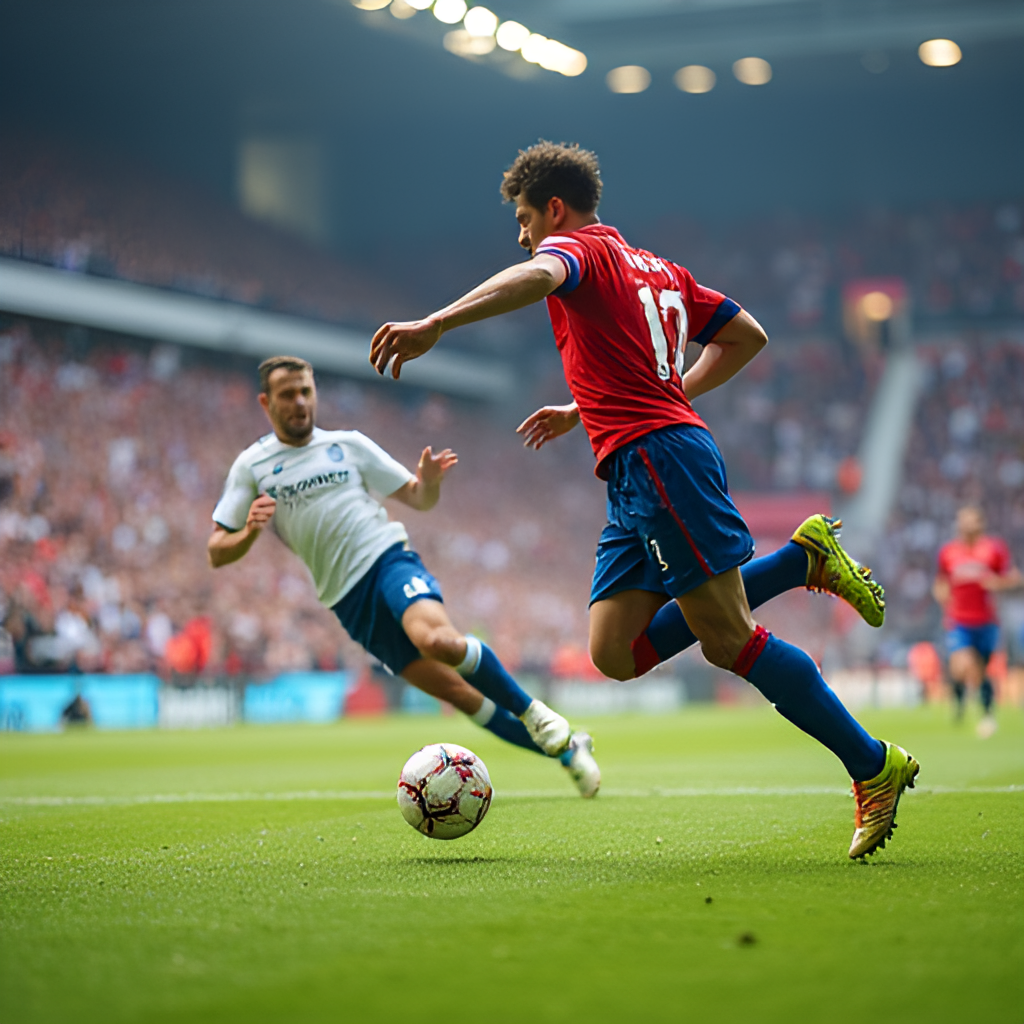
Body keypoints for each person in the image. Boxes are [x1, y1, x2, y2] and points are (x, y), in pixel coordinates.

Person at [369, 140, 917, 859]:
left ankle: (871, 764)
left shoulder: (579, 253)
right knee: (615, 652)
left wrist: (436, 323)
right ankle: (797, 561)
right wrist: (607, 403)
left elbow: (540, 275)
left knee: (731, 641)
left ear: (555, 208)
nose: (525, 234)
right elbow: (745, 337)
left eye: (526, 218)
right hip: (640, 466)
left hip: (660, 461)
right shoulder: (656, 265)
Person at [208, 355, 600, 797]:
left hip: (388, 560)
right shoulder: (252, 466)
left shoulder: (348, 445)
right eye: (287, 394)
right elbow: (217, 551)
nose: (300, 402)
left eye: (306, 391)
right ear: (266, 402)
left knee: (440, 642)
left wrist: (428, 481)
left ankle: (534, 712)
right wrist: (247, 533)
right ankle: (568, 751)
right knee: (462, 696)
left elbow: (419, 498)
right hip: (348, 602)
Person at [933, 505, 1022, 738]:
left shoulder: (994, 549)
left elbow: (1014, 578)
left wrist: (997, 583)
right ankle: (977, 710)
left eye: (973, 522)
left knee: (982, 669)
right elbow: (940, 582)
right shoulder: (949, 552)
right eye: (964, 522)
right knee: (964, 665)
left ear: (980, 525)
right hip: (959, 621)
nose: (968, 527)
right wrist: (942, 594)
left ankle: (982, 708)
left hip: (987, 621)